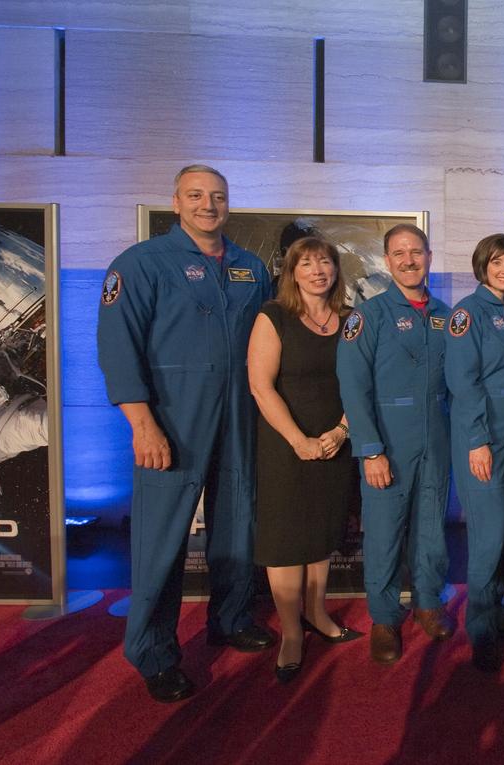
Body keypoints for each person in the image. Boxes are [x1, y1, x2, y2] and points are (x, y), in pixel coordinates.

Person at [97, 165, 273, 703]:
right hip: (173, 417)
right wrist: (142, 423)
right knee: (162, 539)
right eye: (196, 195)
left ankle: (231, 617)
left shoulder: (250, 267)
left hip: (241, 413)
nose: (207, 205)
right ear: (175, 202)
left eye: (217, 196)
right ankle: (153, 652)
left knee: (239, 522)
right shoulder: (140, 265)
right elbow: (118, 348)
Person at [336, 224, 455, 665]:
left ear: (429, 255)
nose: (408, 260)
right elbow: (353, 386)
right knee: (384, 534)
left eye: (416, 252)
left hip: (436, 442)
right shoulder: (369, 317)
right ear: (387, 261)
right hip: (387, 443)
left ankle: (427, 602)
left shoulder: (446, 316)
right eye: (398, 253)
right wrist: (370, 449)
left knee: (431, 530)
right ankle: (385, 618)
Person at [248, 236, 362, 683]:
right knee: (284, 539)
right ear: (291, 271)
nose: (318, 270)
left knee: (321, 532)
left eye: (326, 262)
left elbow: (362, 381)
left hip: (335, 442)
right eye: (307, 263)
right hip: (285, 444)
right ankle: (291, 632)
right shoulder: (273, 315)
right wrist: (299, 439)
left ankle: (317, 613)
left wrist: (341, 430)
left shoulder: (351, 319)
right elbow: (261, 386)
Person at [446, 233, 504, 672]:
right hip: (483, 438)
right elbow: (463, 384)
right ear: (482, 266)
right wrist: (477, 440)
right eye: (497, 262)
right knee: (488, 535)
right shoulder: (467, 314)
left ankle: (495, 611)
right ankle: (478, 629)